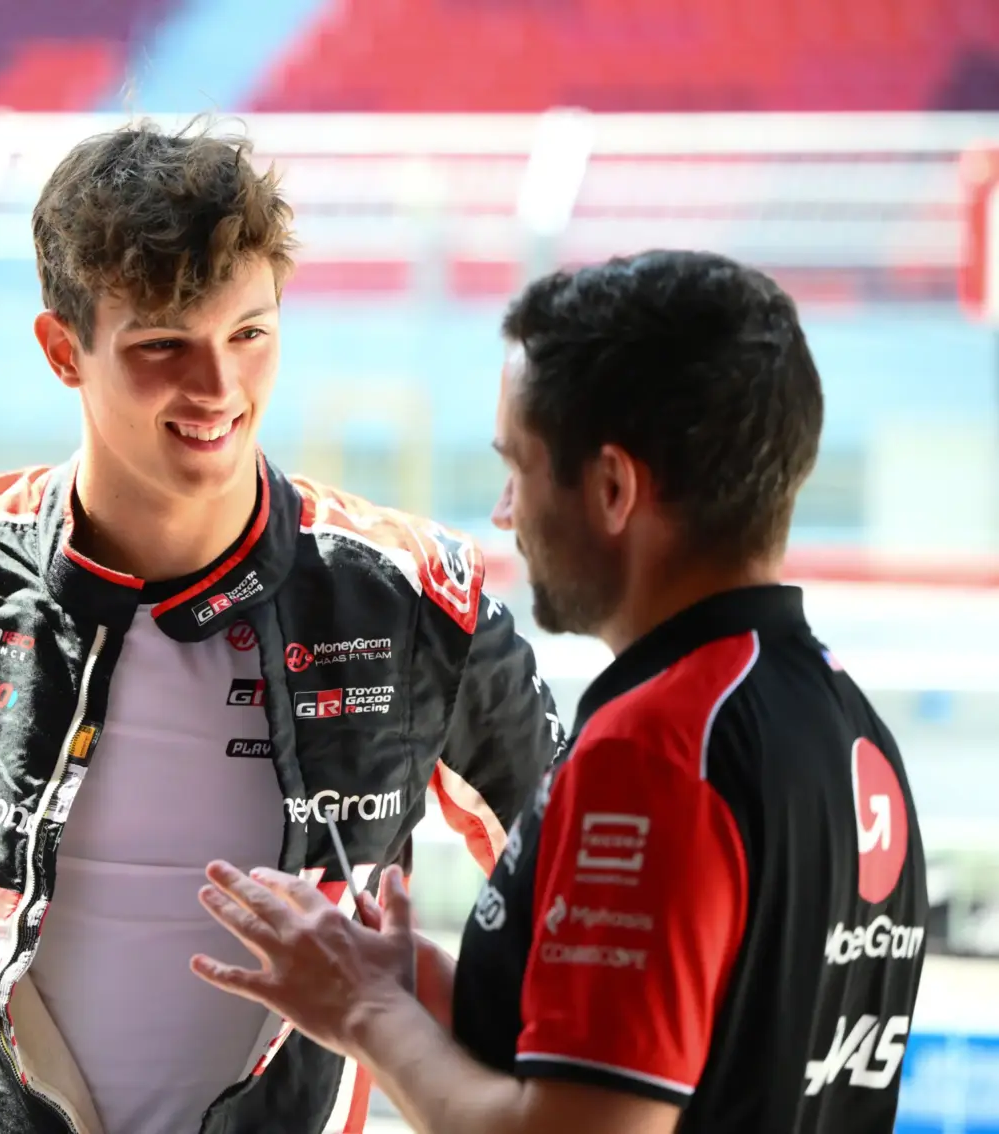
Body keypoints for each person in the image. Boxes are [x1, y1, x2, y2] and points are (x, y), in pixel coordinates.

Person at [0, 119, 565, 1133]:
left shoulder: (412, 595)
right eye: (162, 345)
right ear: (63, 351)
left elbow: (573, 890)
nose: (217, 389)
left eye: (249, 335)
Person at [191, 249, 929, 1134]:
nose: (505, 512)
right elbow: (699, 1051)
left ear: (612, 489)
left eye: (520, 468)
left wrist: (366, 1015)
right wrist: (406, 985)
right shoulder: (852, 731)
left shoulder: (653, 751)